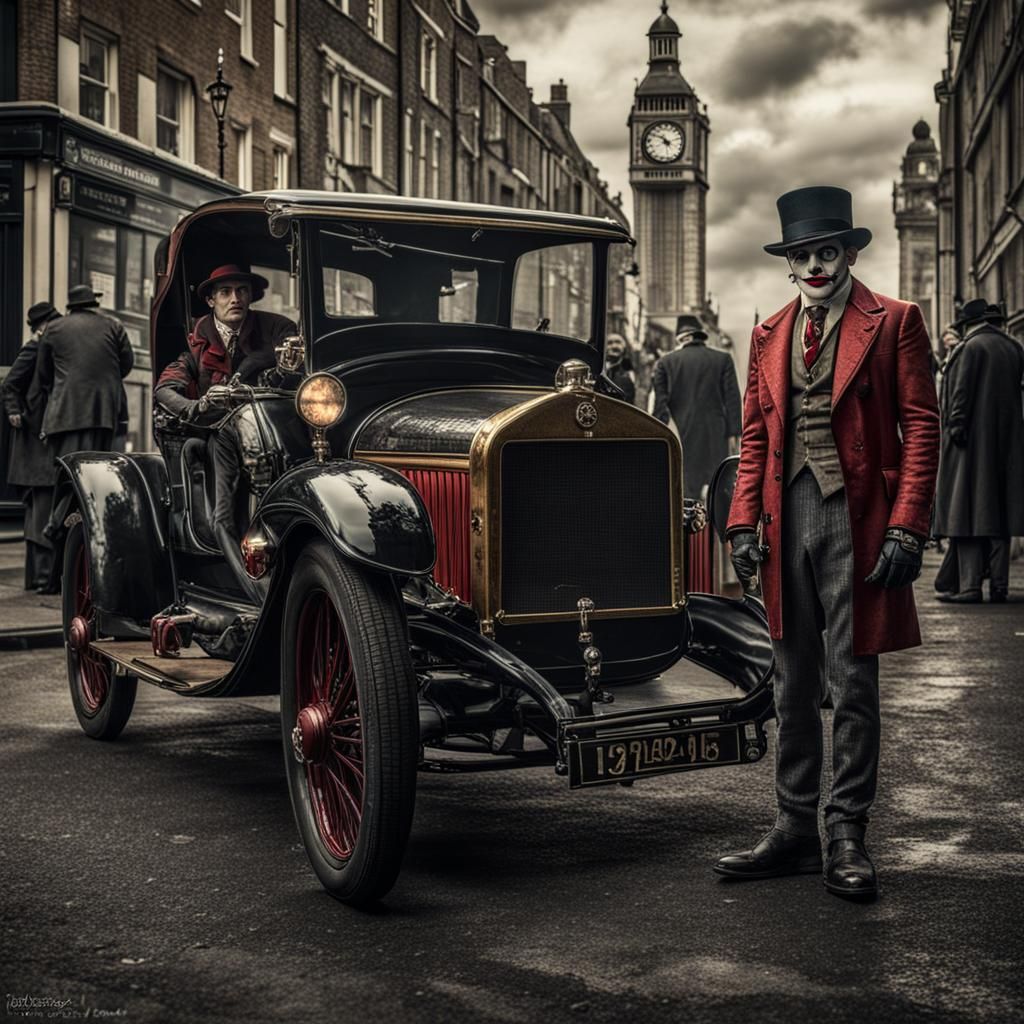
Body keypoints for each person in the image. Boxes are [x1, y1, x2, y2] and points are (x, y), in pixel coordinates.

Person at [720, 186, 940, 900]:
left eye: (826, 252)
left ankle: (847, 832)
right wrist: (742, 521)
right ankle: (792, 830)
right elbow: (755, 437)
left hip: (859, 519)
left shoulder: (896, 321)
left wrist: (908, 522)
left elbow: (921, 427)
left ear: (848, 254)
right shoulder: (768, 334)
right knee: (792, 686)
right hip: (786, 519)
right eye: (801, 255)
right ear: (788, 264)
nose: (814, 264)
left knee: (853, 684)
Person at [154, 264, 297, 601]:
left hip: (276, 433)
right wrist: (197, 406)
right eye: (226, 292)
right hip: (220, 436)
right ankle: (258, 595)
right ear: (211, 300)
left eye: (242, 291)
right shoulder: (197, 345)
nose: (236, 299)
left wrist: (280, 371)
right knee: (223, 518)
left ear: (251, 296)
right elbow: (165, 388)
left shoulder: (277, 328)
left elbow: (295, 364)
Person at [932, 298, 1024, 603]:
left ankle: (970, 587)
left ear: (966, 324)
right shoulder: (1014, 348)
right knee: (999, 514)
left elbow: (959, 394)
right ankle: (999, 586)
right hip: (1008, 444)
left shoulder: (968, 348)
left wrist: (955, 428)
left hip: (970, 444)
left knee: (966, 513)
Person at [36, 285, 134, 461]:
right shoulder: (113, 326)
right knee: (101, 464)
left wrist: (58, 387)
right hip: (105, 409)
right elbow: (126, 363)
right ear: (93, 305)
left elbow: (43, 372)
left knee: (67, 466)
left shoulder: (54, 328)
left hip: (67, 409)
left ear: (71, 307)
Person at [2, 302, 61, 590]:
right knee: (40, 510)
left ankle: (39, 577)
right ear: (42, 327)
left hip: (38, 441)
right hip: (33, 441)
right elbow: (10, 384)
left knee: (41, 511)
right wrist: (14, 411)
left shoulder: (47, 347)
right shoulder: (34, 347)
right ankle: (40, 577)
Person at [652, 316, 741, 499]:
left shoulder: (665, 363)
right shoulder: (723, 359)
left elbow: (660, 408)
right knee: (718, 491)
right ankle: (715, 527)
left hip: (681, 434)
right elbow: (732, 399)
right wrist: (734, 435)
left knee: (686, 493)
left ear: (681, 338)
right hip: (716, 434)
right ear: (701, 336)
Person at [604, 333, 636, 405]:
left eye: (618, 342)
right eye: (610, 343)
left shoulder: (628, 370)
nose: (614, 346)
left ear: (624, 347)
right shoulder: (600, 368)